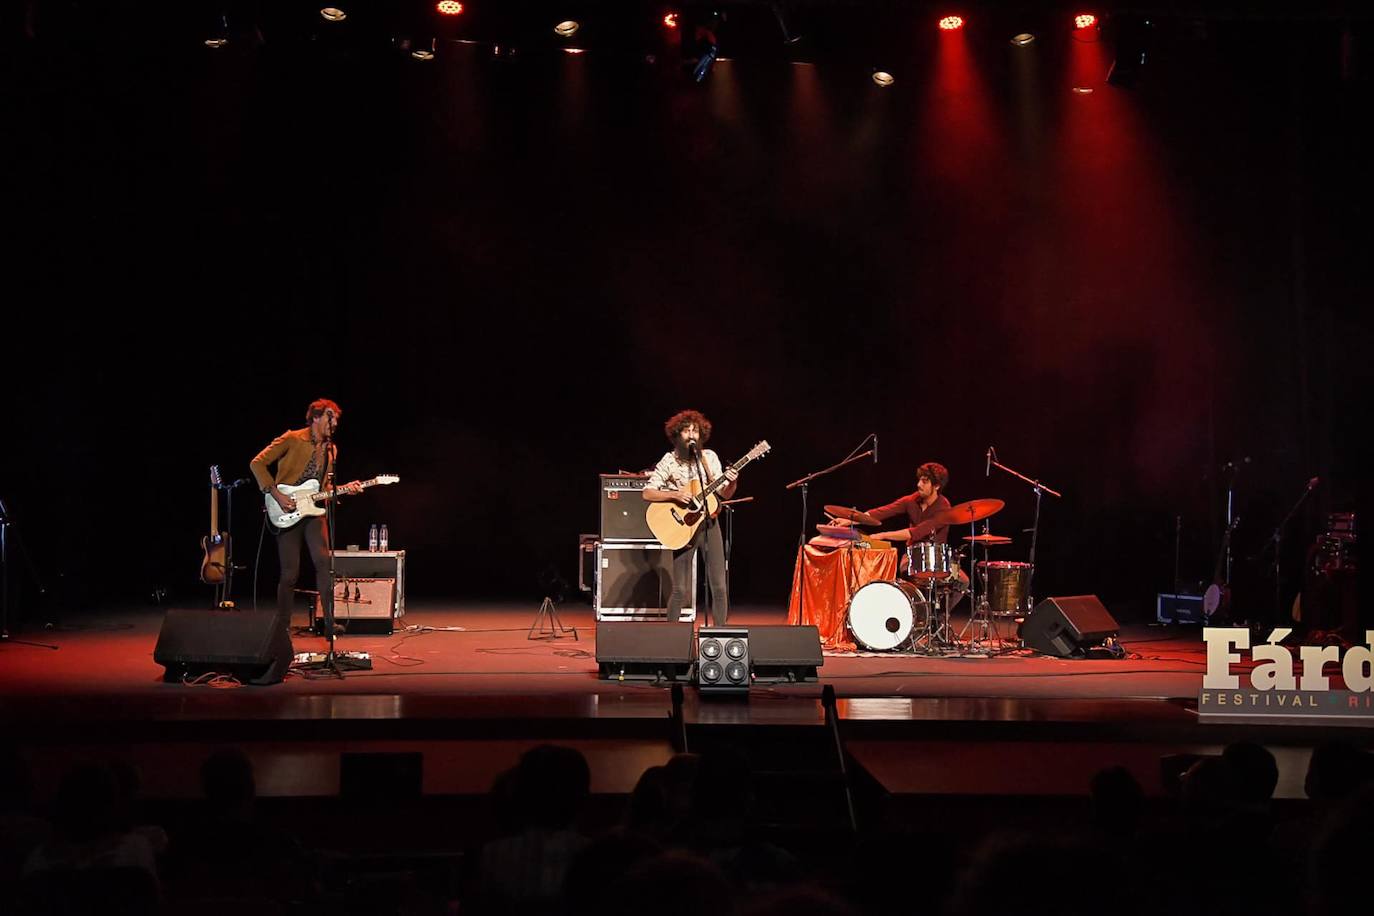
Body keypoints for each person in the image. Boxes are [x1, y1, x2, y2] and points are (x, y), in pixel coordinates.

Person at [249, 399, 353, 630]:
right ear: (315, 417)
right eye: (329, 416)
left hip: (313, 512)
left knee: (324, 562)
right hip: (286, 507)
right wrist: (276, 494)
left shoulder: (331, 450)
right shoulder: (292, 438)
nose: (334, 422)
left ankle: (328, 623)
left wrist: (343, 489)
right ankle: (282, 626)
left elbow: (323, 487)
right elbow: (257, 464)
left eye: (336, 418)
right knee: (290, 572)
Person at [642, 410, 738, 625]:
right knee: (680, 589)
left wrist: (732, 481)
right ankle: (671, 639)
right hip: (683, 527)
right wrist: (675, 494)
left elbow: (723, 493)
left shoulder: (709, 457)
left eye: (695, 431)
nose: (691, 435)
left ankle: (719, 636)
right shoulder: (669, 460)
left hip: (709, 523)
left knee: (719, 586)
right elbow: (647, 492)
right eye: (686, 431)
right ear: (677, 435)